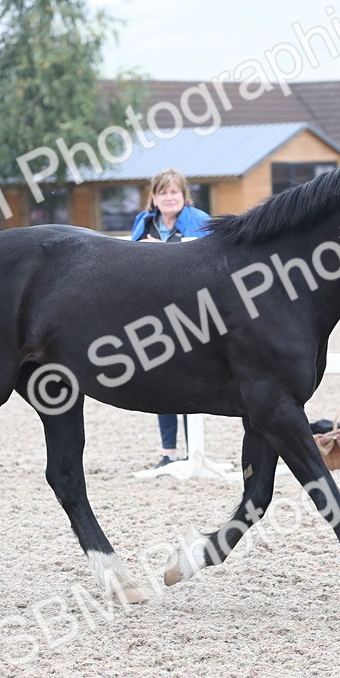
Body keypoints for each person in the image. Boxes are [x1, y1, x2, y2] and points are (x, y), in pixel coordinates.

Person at [130, 169, 213, 468]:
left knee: (189, 383)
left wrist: (161, 252)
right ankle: (168, 453)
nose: (169, 197)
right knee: (160, 383)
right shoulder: (143, 222)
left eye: (174, 192)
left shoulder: (200, 220)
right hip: (153, 314)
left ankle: (194, 452)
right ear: (153, 198)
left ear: (184, 195)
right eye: (162, 192)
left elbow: (208, 263)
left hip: (190, 313)